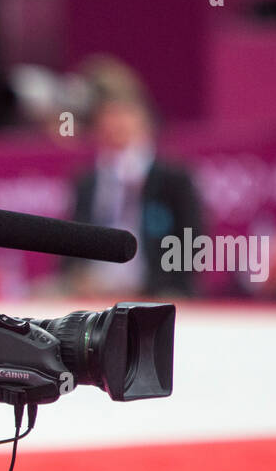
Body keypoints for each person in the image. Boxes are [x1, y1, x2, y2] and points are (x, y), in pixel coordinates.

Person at [59, 60, 204, 299]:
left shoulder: (173, 177)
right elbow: (70, 245)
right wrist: (79, 277)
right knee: (44, 295)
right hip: (93, 290)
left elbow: (191, 246)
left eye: (125, 113)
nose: (117, 123)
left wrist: (152, 286)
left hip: (156, 290)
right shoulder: (88, 180)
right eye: (109, 114)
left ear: (143, 118)